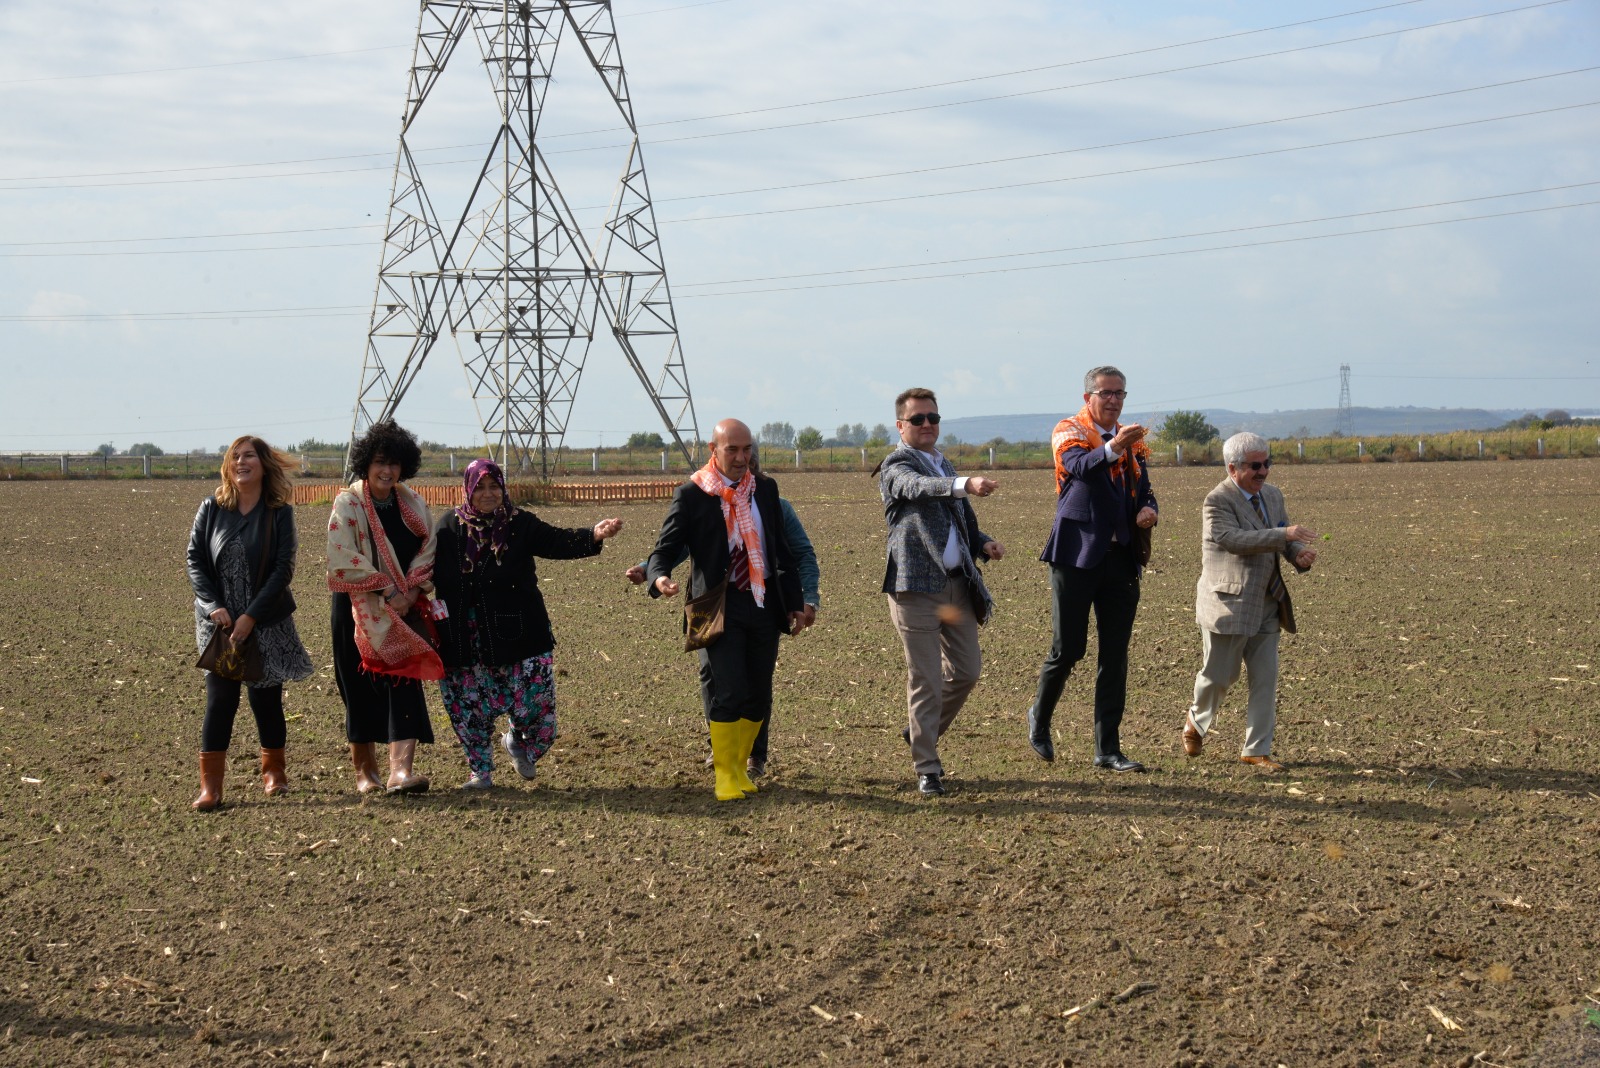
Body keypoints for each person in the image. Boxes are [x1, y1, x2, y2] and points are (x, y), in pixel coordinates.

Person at [432, 459, 622, 789]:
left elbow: (556, 541)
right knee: (468, 707)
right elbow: (423, 569)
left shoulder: (519, 524)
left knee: (539, 709)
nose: (488, 494)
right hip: (463, 636)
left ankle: (519, 740)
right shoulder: (448, 528)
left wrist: (593, 534)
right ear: (468, 490)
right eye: (480, 488)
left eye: (495, 486)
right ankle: (481, 773)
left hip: (518, 632)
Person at [625, 455, 819, 779]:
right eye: (735, 458)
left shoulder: (773, 502)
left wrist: (807, 598)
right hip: (708, 602)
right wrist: (650, 570)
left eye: (749, 461)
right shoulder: (702, 497)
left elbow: (799, 553)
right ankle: (721, 748)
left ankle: (754, 755)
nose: (743, 466)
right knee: (711, 676)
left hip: (759, 599)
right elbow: (683, 545)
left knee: (756, 683)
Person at [1027, 365, 1158, 773]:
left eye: (1119, 392)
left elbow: (1142, 485)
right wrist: (1115, 446)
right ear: (1088, 398)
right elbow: (1080, 468)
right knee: (1069, 649)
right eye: (1106, 393)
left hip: (1121, 558)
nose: (1114, 399)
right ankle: (1040, 718)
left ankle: (1107, 749)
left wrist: (1149, 508)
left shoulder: (1130, 441)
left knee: (1115, 655)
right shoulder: (1069, 430)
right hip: (1076, 554)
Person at [879, 387, 1004, 797]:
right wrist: (964, 482)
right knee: (927, 679)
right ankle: (927, 767)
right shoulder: (896, 464)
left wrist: (982, 542)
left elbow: (961, 519)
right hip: (915, 592)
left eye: (933, 417)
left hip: (955, 590)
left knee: (966, 671)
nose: (928, 425)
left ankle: (920, 730)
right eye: (918, 419)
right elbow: (920, 487)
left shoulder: (941, 461)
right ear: (901, 425)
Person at [186, 436, 314, 811]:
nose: (241, 462)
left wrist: (251, 616)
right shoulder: (211, 508)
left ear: (263, 464)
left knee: (266, 699)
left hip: (265, 618)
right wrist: (214, 607)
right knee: (220, 701)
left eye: (249, 456)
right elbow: (195, 560)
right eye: (235, 457)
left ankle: (275, 774)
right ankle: (211, 788)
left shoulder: (278, 511)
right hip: (220, 622)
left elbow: (282, 569)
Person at [1182, 432, 1317, 772]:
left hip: (1269, 600)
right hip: (1229, 604)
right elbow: (1233, 540)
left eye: (1267, 463)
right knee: (1219, 676)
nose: (1264, 472)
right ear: (1233, 467)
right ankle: (1197, 721)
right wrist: (1284, 536)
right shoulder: (1217, 501)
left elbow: (1283, 536)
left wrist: (1298, 553)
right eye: (1256, 466)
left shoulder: (1272, 496)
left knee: (1265, 677)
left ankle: (1256, 750)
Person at [326, 420, 443, 795]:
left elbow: (430, 549)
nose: (387, 471)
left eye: (393, 463)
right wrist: (388, 589)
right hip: (357, 612)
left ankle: (400, 773)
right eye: (379, 462)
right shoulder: (348, 503)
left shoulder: (413, 504)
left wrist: (409, 592)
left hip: (405, 608)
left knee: (405, 681)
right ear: (366, 464)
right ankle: (366, 773)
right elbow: (342, 556)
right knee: (357, 688)